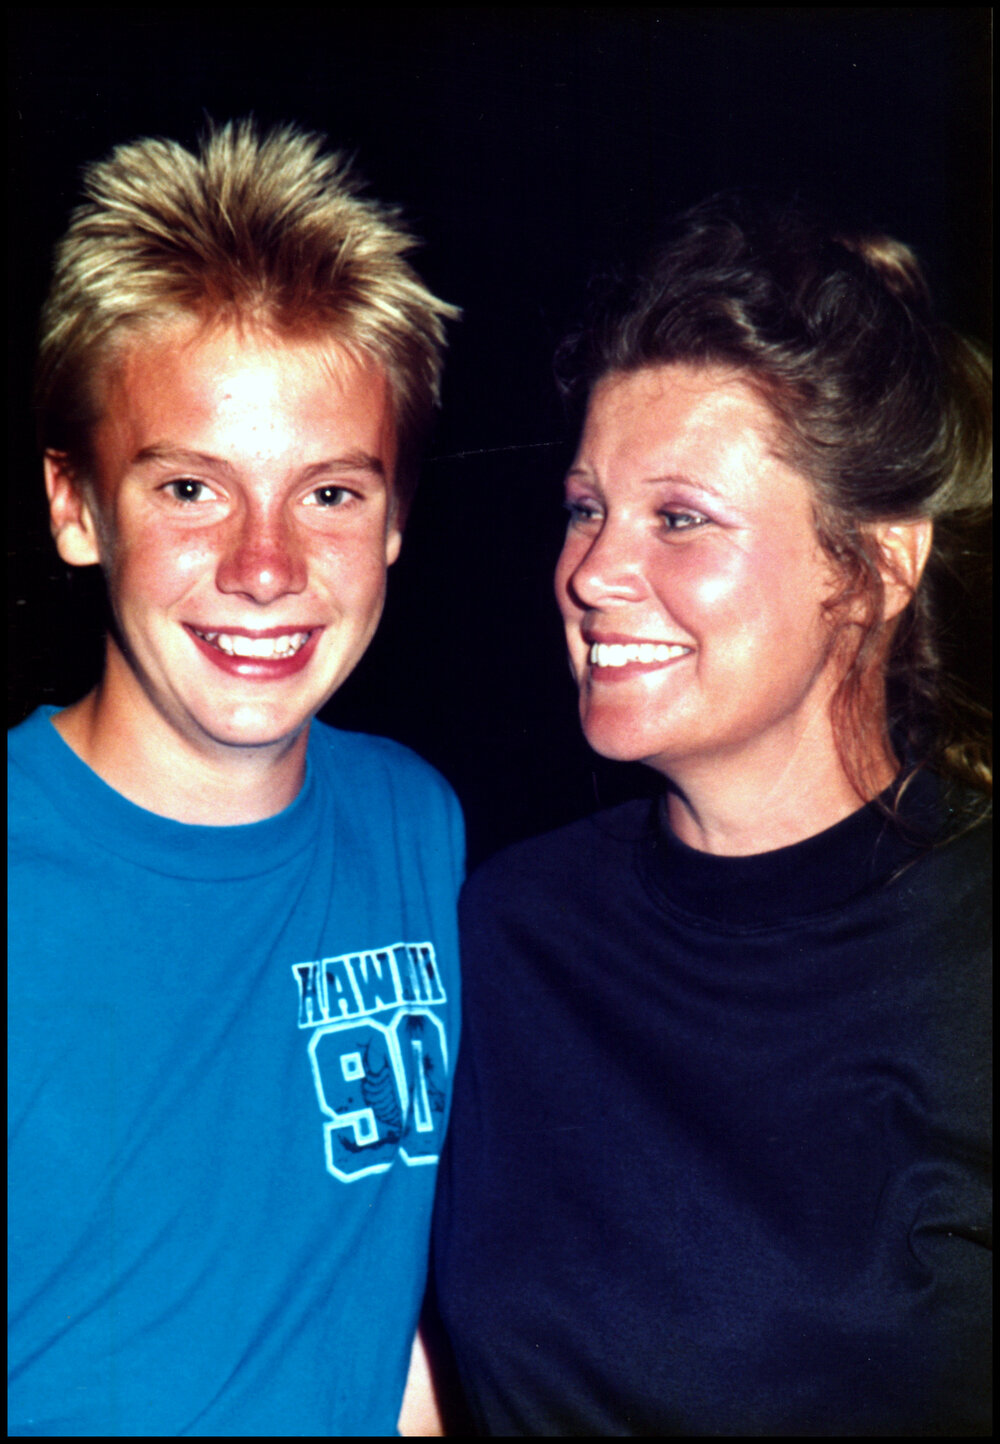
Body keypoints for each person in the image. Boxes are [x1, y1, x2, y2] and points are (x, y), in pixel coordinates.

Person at [429, 195, 992, 1435]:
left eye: (678, 518)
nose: (590, 573)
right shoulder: (500, 930)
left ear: (876, 567)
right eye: (587, 508)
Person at [7, 119, 463, 1437]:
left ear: (396, 522)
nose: (266, 566)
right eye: (193, 489)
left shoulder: (414, 828)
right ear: (76, 507)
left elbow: (377, 1305)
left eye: (329, 494)